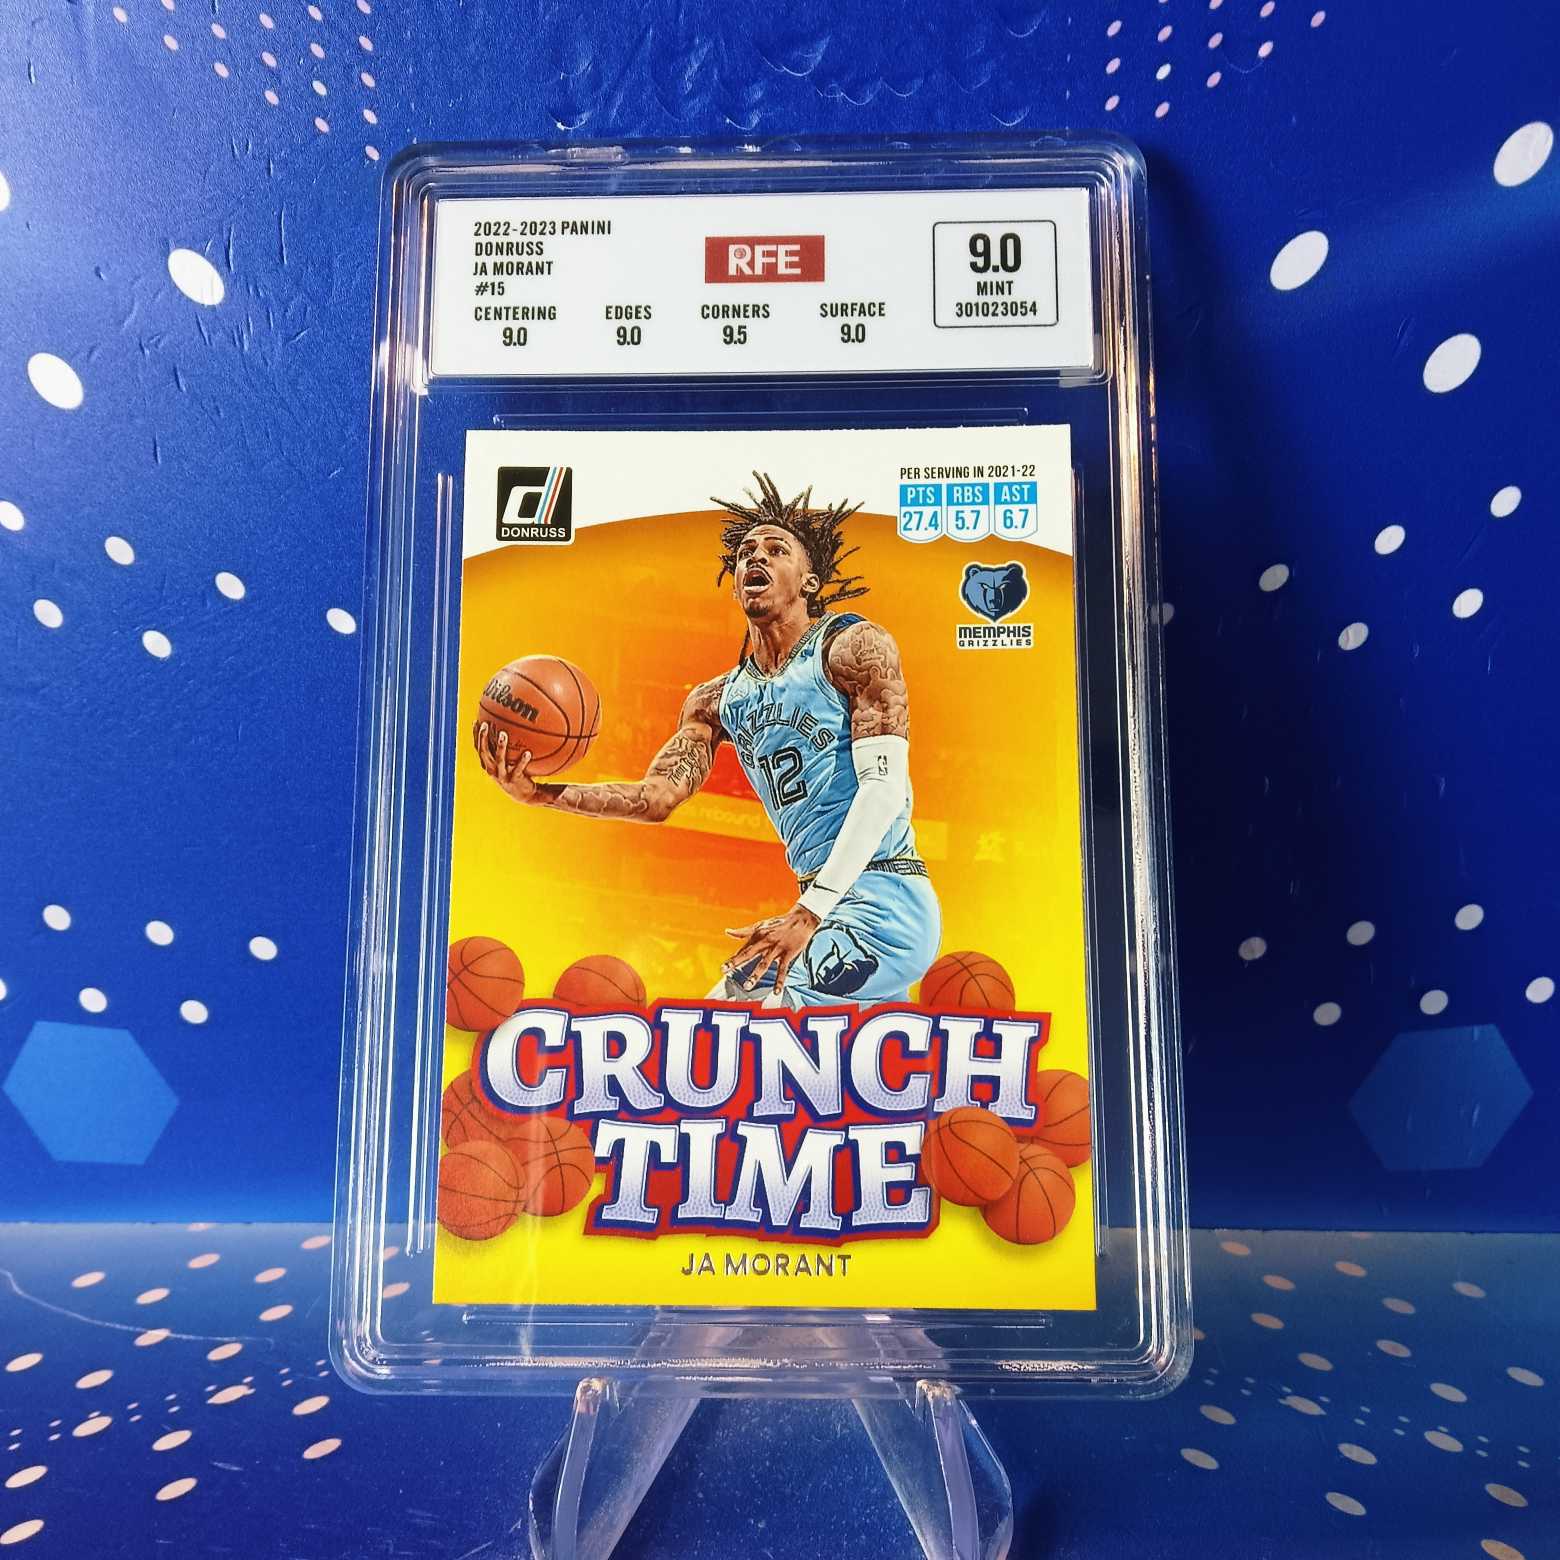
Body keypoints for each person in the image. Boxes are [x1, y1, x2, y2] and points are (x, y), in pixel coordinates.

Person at [477, 473, 940, 1007]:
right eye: (746, 553)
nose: (756, 557)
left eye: (776, 549)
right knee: (842, 1057)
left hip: (885, 902)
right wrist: (541, 794)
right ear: (736, 582)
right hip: (825, 904)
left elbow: (884, 790)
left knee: (719, 1028)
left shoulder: (853, 646)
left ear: (809, 581)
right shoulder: (715, 700)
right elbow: (654, 799)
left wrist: (809, 913)